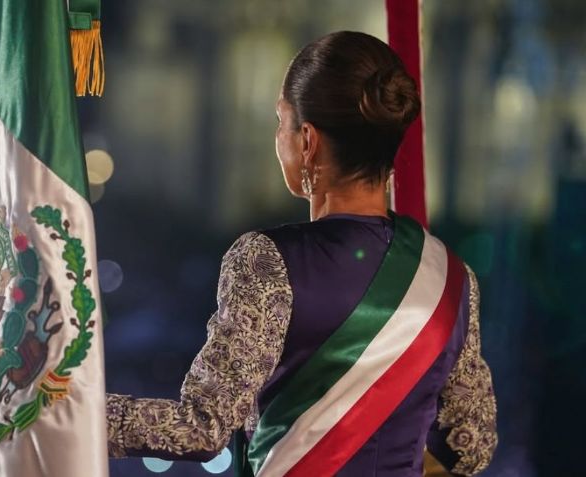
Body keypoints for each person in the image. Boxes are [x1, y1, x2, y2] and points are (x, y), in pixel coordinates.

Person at [105, 31, 497, 476]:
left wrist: (68, 411)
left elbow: (203, 427)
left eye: (281, 120)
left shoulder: (265, 262)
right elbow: (471, 445)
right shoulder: (451, 275)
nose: (279, 137)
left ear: (307, 140)